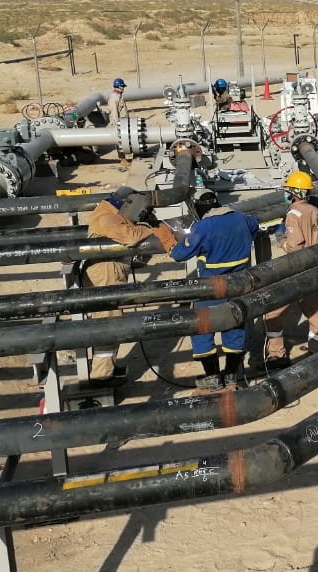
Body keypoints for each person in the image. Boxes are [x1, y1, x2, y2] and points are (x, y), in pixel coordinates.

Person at [79, 187, 176, 381]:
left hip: (109, 273)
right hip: (105, 277)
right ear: (127, 204)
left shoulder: (111, 213)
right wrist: (150, 228)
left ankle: (107, 368)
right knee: (108, 325)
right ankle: (101, 376)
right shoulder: (106, 218)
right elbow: (130, 236)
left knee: (113, 323)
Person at [169, 190, 261, 390]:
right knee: (235, 327)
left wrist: (176, 240)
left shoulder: (202, 227)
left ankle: (212, 377)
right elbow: (255, 225)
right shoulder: (241, 218)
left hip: (210, 289)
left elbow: (179, 254)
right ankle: (230, 376)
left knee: (202, 329)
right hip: (237, 286)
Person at [264, 171, 318, 368]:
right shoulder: (314, 211)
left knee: (272, 313)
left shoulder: (294, 214)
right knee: (315, 312)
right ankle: (316, 351)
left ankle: (277, 355)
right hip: (316, 268)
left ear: (294, 192)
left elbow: (294, 247)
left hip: (297, 270)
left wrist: (280, 238)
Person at [108, 78, 132, 170]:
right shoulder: (114, 98)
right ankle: (122, 159)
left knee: (125, 141)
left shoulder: (118, 96)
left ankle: (126, 158)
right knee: (120, 142)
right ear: (119, 87)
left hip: (123, 123)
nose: (124, 88)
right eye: (123, 86)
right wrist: (118, 125)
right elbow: (114, 113)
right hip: (119, 124)